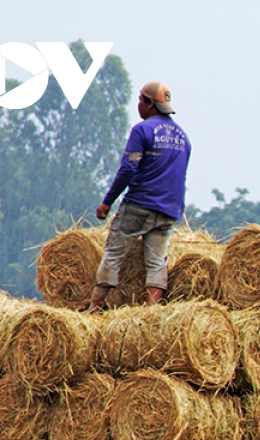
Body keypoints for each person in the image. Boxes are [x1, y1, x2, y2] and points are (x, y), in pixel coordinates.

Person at [88, 81, 191, 311]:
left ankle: (94, 307)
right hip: (169, 209)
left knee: (114, 252)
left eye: (140, 100)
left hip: (140, 204)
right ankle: (152, 312)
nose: (138, 105)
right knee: (156, 261)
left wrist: (107, 202)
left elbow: (128, 169)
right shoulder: (184, 137)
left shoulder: (142, 130)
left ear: (149, 103)